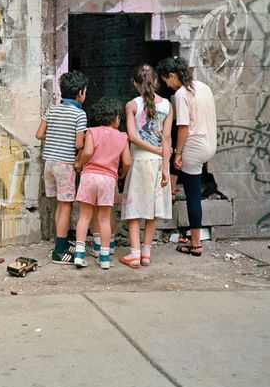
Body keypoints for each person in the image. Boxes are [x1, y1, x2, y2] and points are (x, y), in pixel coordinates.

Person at [155, 56, 217, 257]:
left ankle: (196, 243)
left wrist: (178, 153)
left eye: (166, 81)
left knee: (193, 196)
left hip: (194, 146)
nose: (168, 86)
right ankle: (171, 194)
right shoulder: (204, 87)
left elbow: (182, 127)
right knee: (193, 190)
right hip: (209, 144)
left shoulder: (181, 94)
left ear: (172, 75)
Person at [119, 65, 173, 268]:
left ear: (135, 83)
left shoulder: (132, 105)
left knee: (133, 207)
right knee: (153, 209)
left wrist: (155, 151)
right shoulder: (167, 105)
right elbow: (166, 138)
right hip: (159, 163)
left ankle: (134, 253)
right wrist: (165, 165)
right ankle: (146, 253)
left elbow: (132, 137)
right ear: (156, 82)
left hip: (139, 162)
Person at [36, 71, 89, 264]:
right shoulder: (80, 114)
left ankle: (63, 241)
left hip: (48, 163)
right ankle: (59, 252)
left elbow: (39, 134)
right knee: (66, 206)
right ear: (81, 93)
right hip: (65, 165)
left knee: (60, 204)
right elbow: (78, 144)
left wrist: (55, 134)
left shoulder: (51, 109)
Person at [72, 97, 132, 270]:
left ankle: (79, 255)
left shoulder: (91, 132)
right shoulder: (122, 137)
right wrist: (122, 172)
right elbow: (127, 161)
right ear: (114, 118)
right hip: (108, 179)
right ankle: (104, 258)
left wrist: (79, 163)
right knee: (104, 219)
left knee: (84, 216)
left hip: (89, 176)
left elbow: (88, 151)